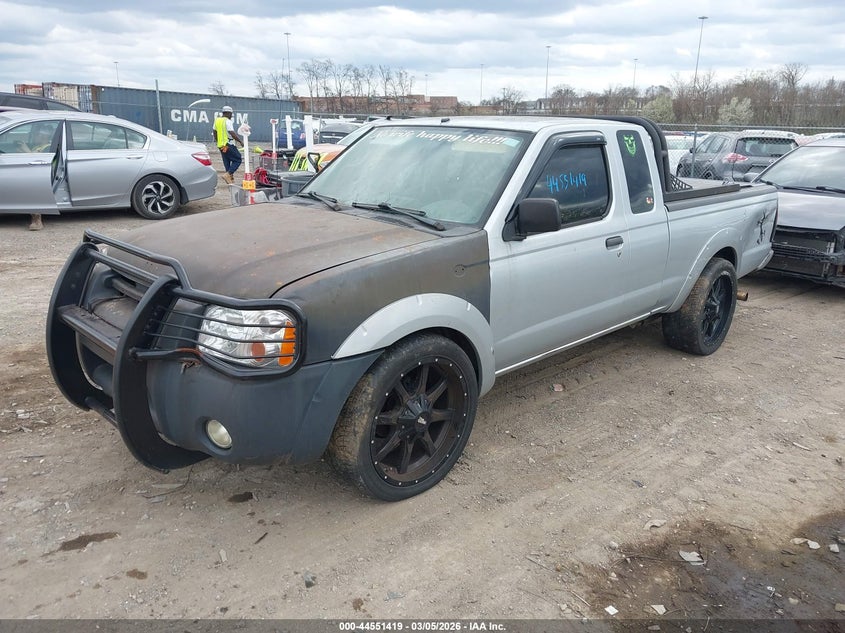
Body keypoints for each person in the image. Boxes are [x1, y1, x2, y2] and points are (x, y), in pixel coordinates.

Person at [212, 105, 243, 184]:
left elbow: (214, 132)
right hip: (227, 144)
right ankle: (228, 174)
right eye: (231, 114)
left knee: (227, 160)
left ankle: (230, 179)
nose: (231, 116)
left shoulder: (217, 120)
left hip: (221, 145)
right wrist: (240, 141)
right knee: (238, 159)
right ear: (228, 113)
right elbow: (232, 133)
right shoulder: (227, 121)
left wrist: (217, 141)